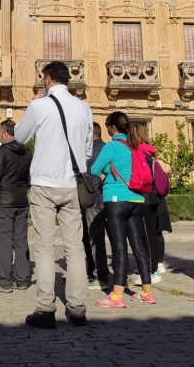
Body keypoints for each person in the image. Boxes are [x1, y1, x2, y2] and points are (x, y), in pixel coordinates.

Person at [14, 61, 93, 328]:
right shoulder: (84, 107)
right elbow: (87, 151)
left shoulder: (39, 105)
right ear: (67, 80)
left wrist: (32, 104)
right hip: (73, 183)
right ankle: (78, 308)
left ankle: (46, 309)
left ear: (47, 79)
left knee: (45, 248)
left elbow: (19, 136)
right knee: (75, 248)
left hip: (45, 183)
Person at [91, 113, 156, 308]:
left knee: (119, 248)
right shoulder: (135, 145)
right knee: (139, 246)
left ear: (111, 128)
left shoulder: (112, 146)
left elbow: (94, 169)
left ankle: (117, 295)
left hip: (116, 199)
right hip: (137, 199)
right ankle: (146, 292)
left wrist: (109, 171)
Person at [0, 119, 33, 294]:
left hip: (4, 201)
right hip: (21, 200)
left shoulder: (2, 151)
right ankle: (22, 279)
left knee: (4, 240)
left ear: (5, 134)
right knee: (21, 239)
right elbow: (30, 177)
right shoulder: (27, 152)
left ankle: (4, 281)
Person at [82, 122, 111, 290]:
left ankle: (101, 277)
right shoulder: (108, 148)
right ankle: (92, 273)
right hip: (108, 198)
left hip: (91, 200)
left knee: (94, 239)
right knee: (108, 238)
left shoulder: (87, 152)